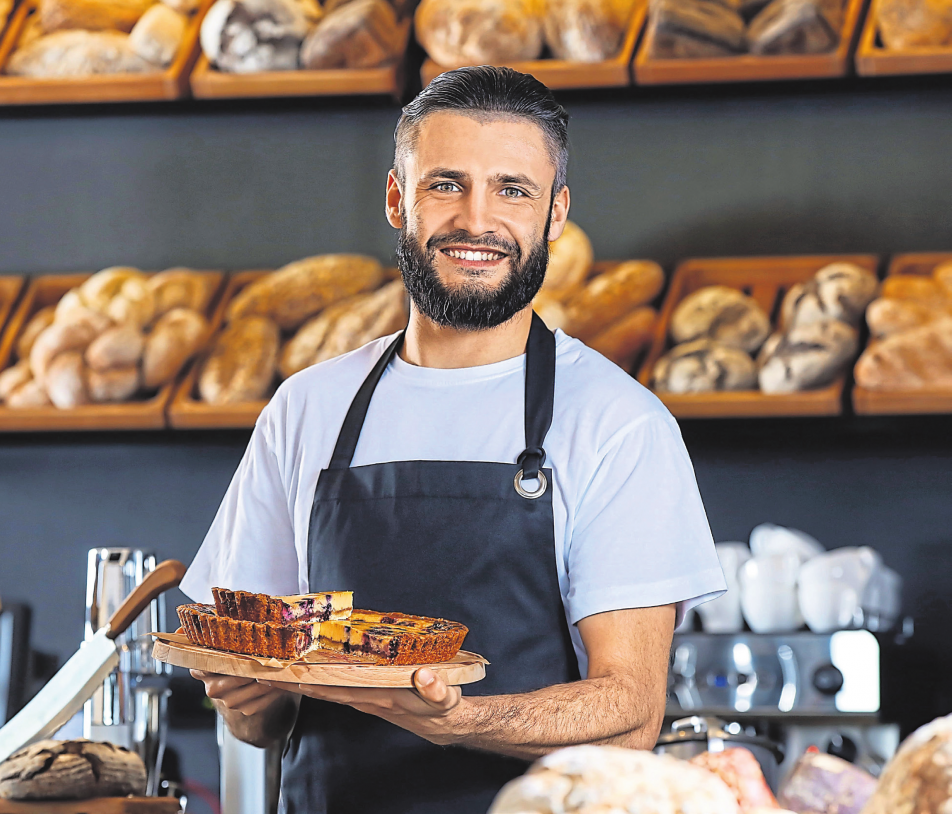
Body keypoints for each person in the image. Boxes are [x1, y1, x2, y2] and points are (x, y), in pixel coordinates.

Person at [180, 65, 726, 814]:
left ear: (555, 214)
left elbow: (631, 711)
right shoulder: (306, 409)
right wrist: (245, 697)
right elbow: (260, 717)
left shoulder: (618, 422)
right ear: (397, 198)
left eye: (513, 189)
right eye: (446, 184)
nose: (477, 220)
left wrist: (458, 720)